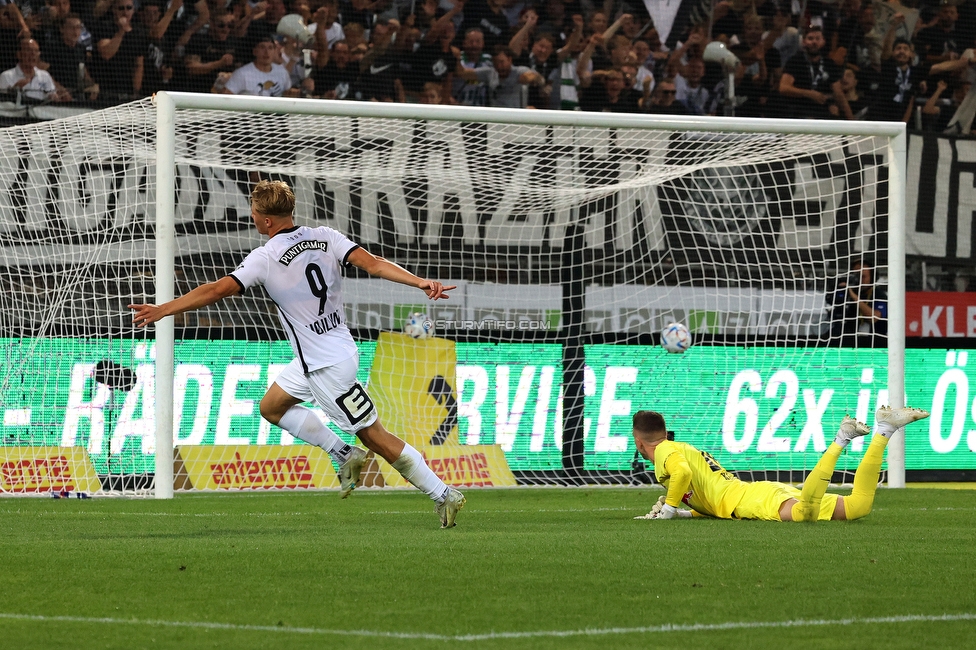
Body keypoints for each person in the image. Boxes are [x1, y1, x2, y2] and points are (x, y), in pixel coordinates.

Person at [130, 180, 467, 529]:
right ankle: (343, 452)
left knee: (374, 436)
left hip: (327, 367)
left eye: (255, 213)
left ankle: (443, 493)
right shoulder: (326, 236)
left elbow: (218, 289)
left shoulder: (266, 257)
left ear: (265, 221)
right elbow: (374, 263)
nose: (254, 217)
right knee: (272, 407)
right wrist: (420, 282)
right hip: (323, 354)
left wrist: (164, 309)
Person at [632, 406, 929, 522]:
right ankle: (885, 431)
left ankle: (842, 438)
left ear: (639, 440)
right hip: (754, 492)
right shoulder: (678, 447)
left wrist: (669, 510)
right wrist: (685, 514)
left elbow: (682, 474)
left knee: (802, 515)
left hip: (751, 500)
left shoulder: (665, 453)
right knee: (857, 508)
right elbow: (709, 496)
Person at [827, 258, 887, 347]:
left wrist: (854, 297)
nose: (859, 280)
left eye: (863, 276)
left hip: (873, 344)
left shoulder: (879, 295)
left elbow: (874, 318)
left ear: (872, 278)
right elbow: (830, 301)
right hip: (850, 342)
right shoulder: (849, 291)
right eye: (856, 276)